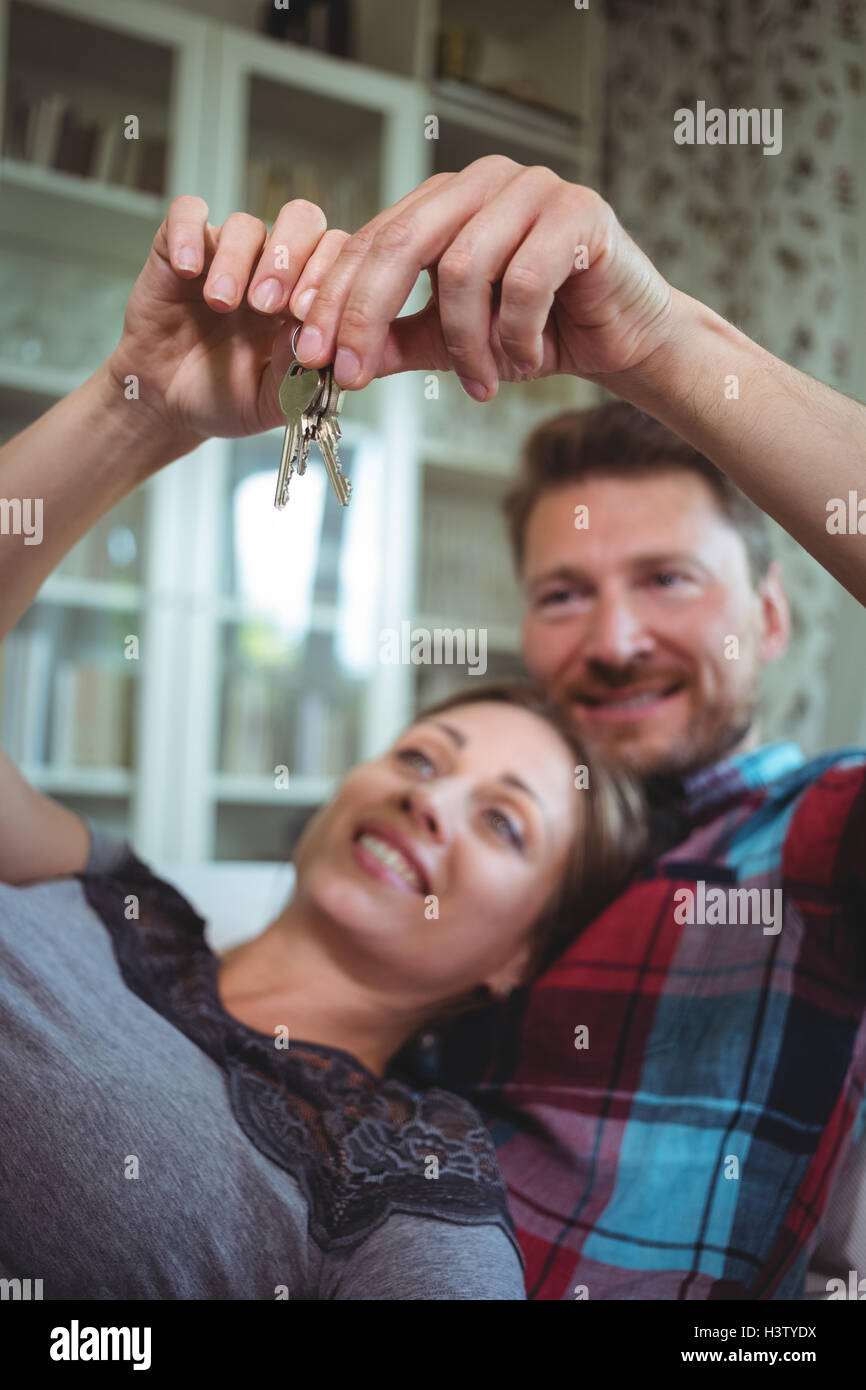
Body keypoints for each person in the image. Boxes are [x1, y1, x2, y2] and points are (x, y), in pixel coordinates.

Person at [1, 155, 865, 1299]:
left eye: (666, 580)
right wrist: (140, 404)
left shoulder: (816, 831)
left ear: (765, 615)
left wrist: (664, 347)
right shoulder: (126, 906)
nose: (610, 639)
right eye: (562, 594)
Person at [0, 679, 644, 1300]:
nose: (431, 799)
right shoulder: (124, 893)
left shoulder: (399, 1183)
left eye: (502, 822)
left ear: (521, 958)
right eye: (420, 759)